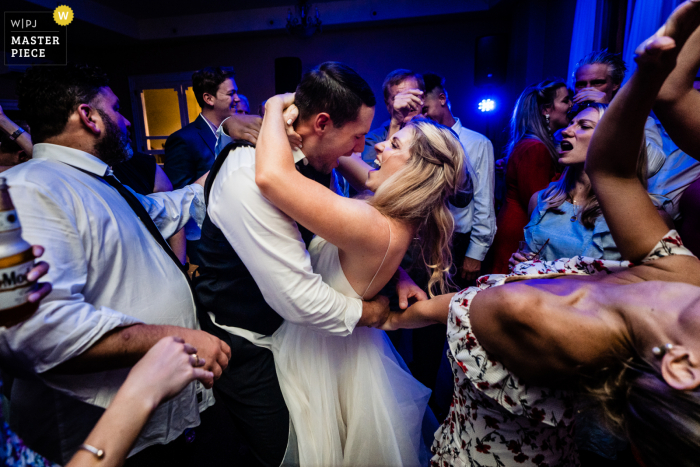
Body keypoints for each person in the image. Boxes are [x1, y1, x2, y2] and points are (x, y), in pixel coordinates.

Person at [380, 3, 700, 466]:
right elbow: (611, 170)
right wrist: (646, 74)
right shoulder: (683, 274)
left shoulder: (535, 314)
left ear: (682, 366)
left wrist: (386, 317)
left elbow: (462, 305)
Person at [0, 63, 231, 465]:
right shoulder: (32, 187)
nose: (125, 120)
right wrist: (175, 338)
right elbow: (38, 331)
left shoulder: (95, 181)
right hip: (104, 434)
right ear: (88, 116)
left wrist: (233, 151)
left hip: (161, 424)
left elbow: (166, 208)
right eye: (116, 108)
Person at [192, 62, 416, 467]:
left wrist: (393, 270)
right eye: (358, 137)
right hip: (249, 338)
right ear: (323, 123)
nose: (358, 150)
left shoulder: (320, 159)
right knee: (288, 454)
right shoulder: (249, 173)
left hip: (302, 334)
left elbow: (334, 231)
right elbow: (297, 296)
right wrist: (370, 313)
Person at [256, 87, 467, 465]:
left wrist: (273, 106)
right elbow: (349, 164)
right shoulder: (389, 216)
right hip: (342, 345)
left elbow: (272, 177)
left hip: (321, 353)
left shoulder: (372, 224)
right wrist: (397, 272)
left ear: (415, 169)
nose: (377, 147)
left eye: (394, 145)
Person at [510, 103, 648, 268]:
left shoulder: (638, 214)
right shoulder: (542, 200)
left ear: (615, 141)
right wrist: (521, 265)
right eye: (570, 123)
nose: (565, 131)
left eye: (584, 126)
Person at [485, 78, 572, 274]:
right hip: (520, 233)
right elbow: (538, 205)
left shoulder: (537, 144)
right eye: (566, 101)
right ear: (546, 110)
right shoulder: (535, 148)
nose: (571, 105)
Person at [421, 72, 495, 285]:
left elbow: (485, 203)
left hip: (460, 242)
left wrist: (475, 252)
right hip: (428, 244)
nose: (423, 117)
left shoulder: (478, 143)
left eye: (425, 109)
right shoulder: (420, 142)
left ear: (442, 99)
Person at [572, 50, 666, 178]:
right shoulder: (569, 120)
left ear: (615, 84)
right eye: (581, 84)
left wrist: (606, 112)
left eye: (597, 83)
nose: (587, 89)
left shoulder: (639, 121)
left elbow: (650, 166)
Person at [361, 69, 425, 166]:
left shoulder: (439, 134)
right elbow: (372, 176)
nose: (406, 103)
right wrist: (396, 123)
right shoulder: (373, 140)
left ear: (422, 98)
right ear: (387, 104)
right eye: (399, 98)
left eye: (411, 95)